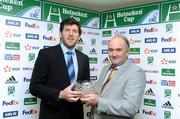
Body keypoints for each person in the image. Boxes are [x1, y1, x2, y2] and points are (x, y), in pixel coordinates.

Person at [29, 18, 90, 119]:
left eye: (74, 31)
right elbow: (34, 87)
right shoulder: (46, 55)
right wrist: (61, 94)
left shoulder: (84, 58)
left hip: (76, 114)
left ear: (79, 36)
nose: (71, 34)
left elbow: (85, 84)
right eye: (67, 30)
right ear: (60, 34)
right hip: (53, 115)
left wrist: (88, 94)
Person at [80, 34, 146, 119]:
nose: (114, 54)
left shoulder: (136, 72)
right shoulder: (106, 68)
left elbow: (131, 107)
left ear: (127, 52)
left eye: (118, 50)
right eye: (111, 50)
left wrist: (99, 102)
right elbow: (101, 92)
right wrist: (82, 91)